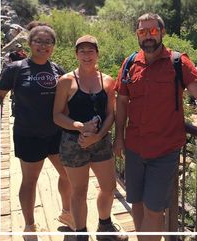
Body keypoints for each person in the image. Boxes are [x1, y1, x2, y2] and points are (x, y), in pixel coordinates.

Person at [113, 13, 197, 241]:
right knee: (136, 202)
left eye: (153, 31)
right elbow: (122, 101)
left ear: (162, 33)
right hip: (134, 147)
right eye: (143, 32)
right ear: (137, 35)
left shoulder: (178, 63)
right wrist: (118, 137)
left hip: (164, 150)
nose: (148, 36)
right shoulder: (129, 63)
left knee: (154, 211)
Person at [0, 25, 74, 241]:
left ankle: (67, 213)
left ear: (53, 47)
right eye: (38, 41)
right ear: (30, 44)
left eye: (48, 42)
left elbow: (69, 96)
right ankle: (29, 225)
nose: (43, 45)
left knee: (67, 175)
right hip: (28, 133)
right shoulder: (16, 68)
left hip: (56, 133)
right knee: (30, 181)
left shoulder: (57, 69)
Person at [53, 35, 128, 241]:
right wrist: (79, 127)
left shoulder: (107, 80)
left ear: (97, 54)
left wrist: (98, 135)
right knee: (79, 190)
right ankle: (81, 234)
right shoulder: (66, 81)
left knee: (108, 186)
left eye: (91, 51)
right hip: (73, 142)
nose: (87, 55)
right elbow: (57, 115)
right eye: (82, 51)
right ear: (76, 54)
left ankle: (105, 227)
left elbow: (111, 113)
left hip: (101, 141)